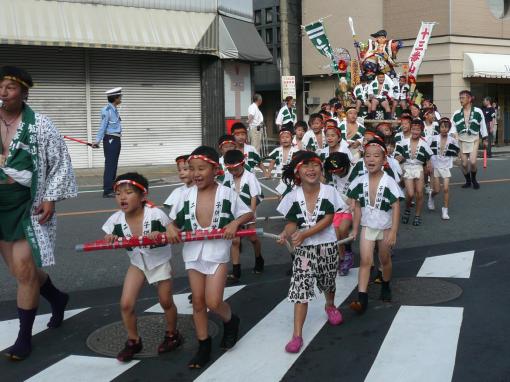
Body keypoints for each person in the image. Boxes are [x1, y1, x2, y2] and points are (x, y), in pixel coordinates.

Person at [0, 66, 77, 360]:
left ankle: (23, 337)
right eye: (0, 87)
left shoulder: (41, 125)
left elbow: (60, 162)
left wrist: (51, 196)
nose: (3, 93)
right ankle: (58, 298)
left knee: (23, 271)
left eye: (10, 87)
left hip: (26, 203)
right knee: (20, 270)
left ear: (24, 92)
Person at [167, 146, 253, 368]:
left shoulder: (226, 193)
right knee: (197, 302)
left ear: (215, 170)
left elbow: (247, 212)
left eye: (201, 168)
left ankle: (230, 320)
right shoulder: (185, 195)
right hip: (193, 253)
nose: (195, 173)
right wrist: (170, 228)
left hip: (217, 252)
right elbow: (173, 222)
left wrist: (235, 223)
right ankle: (203, 345)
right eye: (191, 168)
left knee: (213, 301)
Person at [102, 173, 182, 362]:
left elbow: (172, 229)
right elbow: (108, 236)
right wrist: (111, 238)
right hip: (137, 263)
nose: (122, 197)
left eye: (129, 193)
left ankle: (172, 335)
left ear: (143, 196)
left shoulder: (155, 214)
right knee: (126, 304)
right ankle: (133, 340)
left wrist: (164, 231)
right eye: (118, 194)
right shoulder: (115, 220)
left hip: (159, 263)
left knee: (165, 301)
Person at [277, 150, 345, 353]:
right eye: (306, 166)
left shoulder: (329, 191)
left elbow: (328, 219)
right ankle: (296, 335)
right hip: (304, 252)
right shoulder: (292, 196)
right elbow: (291, 224)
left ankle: (330, 305)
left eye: (315, 165)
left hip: (327, 246)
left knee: (327, 281)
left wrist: (304, 234)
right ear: (298, 172)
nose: (311, 169)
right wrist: (285, 233)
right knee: (301, 289)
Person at [347, 138, 402, 314]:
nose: (371, 159)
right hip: (367, 226)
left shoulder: (389, 181)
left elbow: (395, 206)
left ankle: (386, 284)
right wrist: (355, 229)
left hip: (385, 227)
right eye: (367, 156)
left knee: (384, 260)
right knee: (365, 261)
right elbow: (356, 207)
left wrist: (394, 231)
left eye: (376, 156)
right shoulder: (360, 181)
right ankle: (361, 298)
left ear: (384, 160)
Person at [222, 149, 264, 282]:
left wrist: (251, 213)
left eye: (236, 169)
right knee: (235, 241)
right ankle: (236, 271)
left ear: (242, 163)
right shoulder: (227, 177)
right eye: (230, 170)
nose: (233, 172)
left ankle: (259, 258)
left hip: (248, 212)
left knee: (253, 238)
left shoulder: (250, 176)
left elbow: (254, 196)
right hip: (233, 214)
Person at [395, 119, 433, 226]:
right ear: (411, 129)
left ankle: (417, 215)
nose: (415, 132)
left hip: (419, 167)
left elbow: (429, 156)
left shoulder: (424, 143)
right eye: (413, 129)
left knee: (420, 193)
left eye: (418, 130)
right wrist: (398, 158)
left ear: (421, 131)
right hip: (407, 167)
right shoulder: (404, 142)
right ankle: (407, 209)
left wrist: (429, 164)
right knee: (410, 193)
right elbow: (397, 155)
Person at [324, 152, 354, 276]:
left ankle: (348, 252)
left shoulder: (355, 171)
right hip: (337, 206)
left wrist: (353, 202)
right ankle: (342, 258)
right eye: (333, 171)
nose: (335, 173)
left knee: (343, 229)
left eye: (339, 170)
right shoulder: (331, 172)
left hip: (351, 206)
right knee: (336, 234)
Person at [451, 90, 488, 189]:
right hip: (462, 140)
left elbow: (483, 125)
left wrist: (485, 138)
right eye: (460, 98)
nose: (461, 100)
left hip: (474, 139)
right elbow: (452, 126)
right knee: (463, 164)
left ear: (469, 99)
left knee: (472, 162)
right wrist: (454, 134)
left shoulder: (478, 111)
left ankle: (474, 180)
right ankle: (467, 181)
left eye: (463, 98)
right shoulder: (457, 113)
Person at [427, 118, 460, 220]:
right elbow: (427, 151)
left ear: (449, 128)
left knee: (446, 189)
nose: (444, 129)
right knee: (437, 190)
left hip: (446, 166)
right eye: (442, 127)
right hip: (436, 165)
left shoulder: (452, 140)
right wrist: (428, 163)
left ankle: (445, 210)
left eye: (446, 127)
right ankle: (431, 197)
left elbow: (457, 152)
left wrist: (458, 159)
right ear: (439, 128)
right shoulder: (433, 138)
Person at [95, 87, 123, 198]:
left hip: (116, 139)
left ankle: (111, 187)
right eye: (120, 96)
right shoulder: (106, 110)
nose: (121, 98)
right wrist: (97, 141)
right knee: (110, 165)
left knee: (114, 165)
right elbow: (103, 126)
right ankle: (107, 190)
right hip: (110, 139)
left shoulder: (114, 109)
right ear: (115, 98)